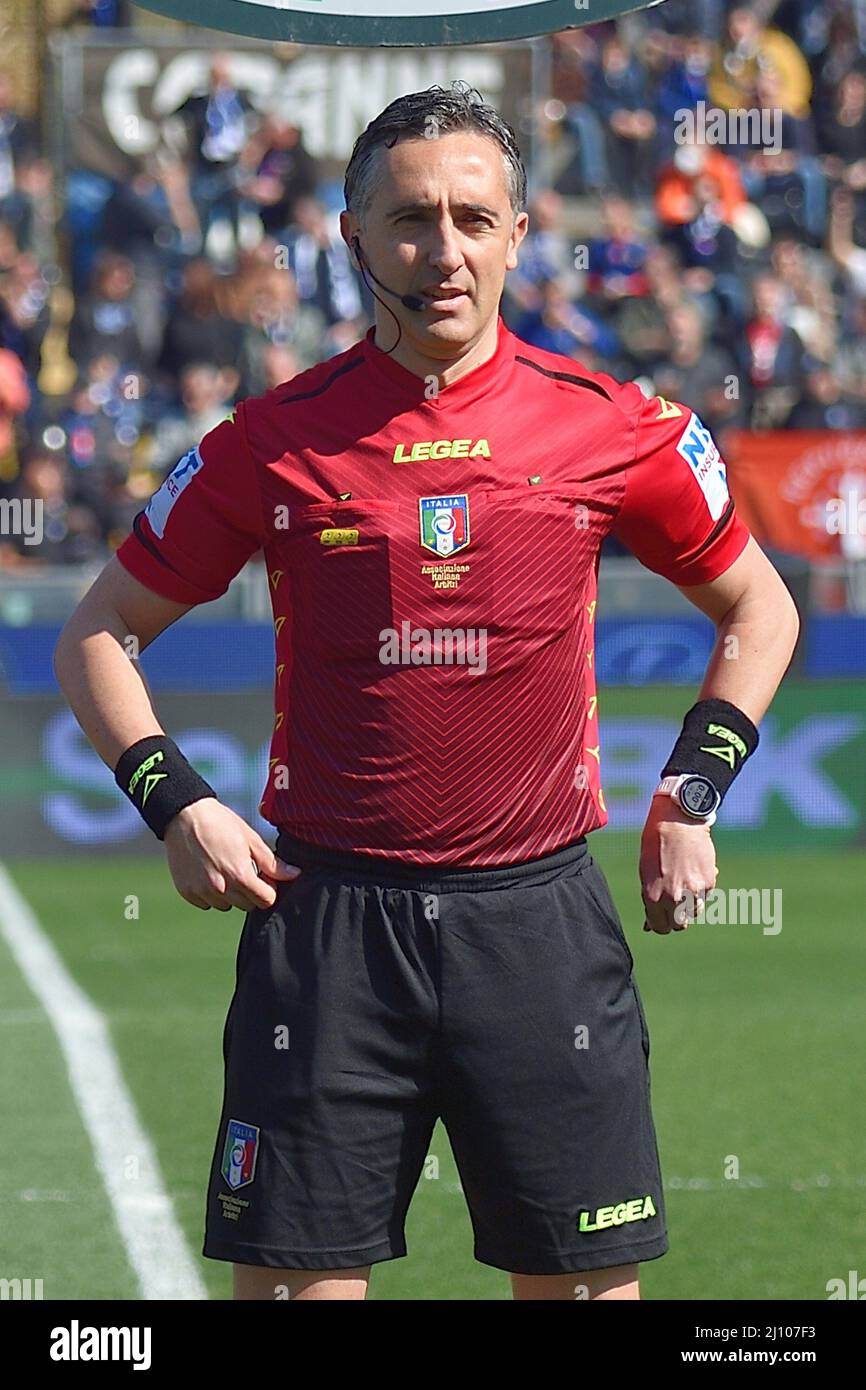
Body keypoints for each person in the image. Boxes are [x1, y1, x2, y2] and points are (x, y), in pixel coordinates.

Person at [54, 81, 800, 1302]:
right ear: (353, 238)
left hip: (541, 930)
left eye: (470, 218)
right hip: (329, 933)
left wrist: (691, 789)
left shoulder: (617, 426)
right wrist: (174, 801)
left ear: (517, 232)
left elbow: (758, 606)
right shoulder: (267, 439)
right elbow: (98, 631)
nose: (441, 252)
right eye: (409, 220)